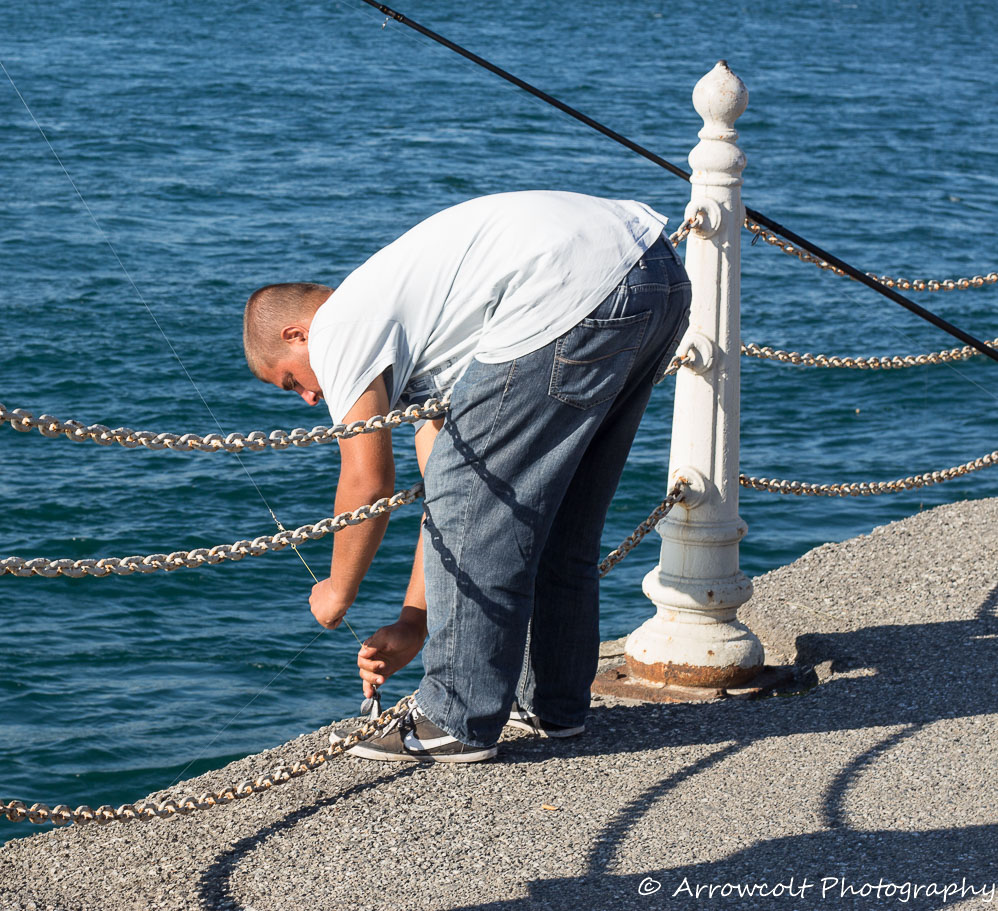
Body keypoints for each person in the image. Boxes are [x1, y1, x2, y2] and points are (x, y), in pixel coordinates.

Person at [243, 191, 690, 762]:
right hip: (655, 272)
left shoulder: (335, 326)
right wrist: (413, 621)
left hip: (570, 288)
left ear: (295, 336)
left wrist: (337, 592)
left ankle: (456, 717)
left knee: (487, 501)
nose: (309, 398)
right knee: (559, 519)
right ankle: (553, 707)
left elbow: (369, 481)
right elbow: (447, 495)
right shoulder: (423, 334)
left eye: (291, 383)